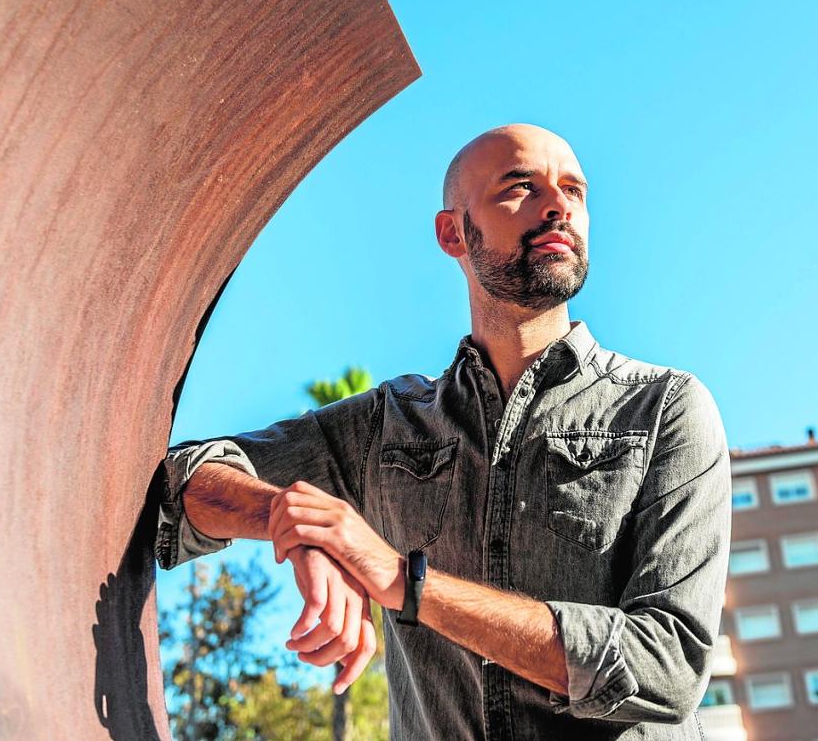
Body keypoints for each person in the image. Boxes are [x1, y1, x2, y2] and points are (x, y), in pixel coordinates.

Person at [156, 124, 731, 739]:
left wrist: (403, 581)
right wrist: (299, 525)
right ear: (452, 232)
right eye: (520, 187)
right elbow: (180, 483)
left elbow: (667, 667)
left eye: (574, 191)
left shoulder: (665, 408)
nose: (558, 206)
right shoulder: (388, 425)